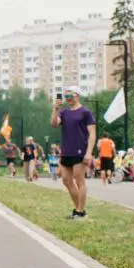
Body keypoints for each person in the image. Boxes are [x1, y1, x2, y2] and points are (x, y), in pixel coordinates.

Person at [51, 86, 96, 220]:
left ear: (77, 96)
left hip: (80, 150)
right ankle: (79, 210)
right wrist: (55, 109)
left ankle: (80, 211)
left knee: (79, 180)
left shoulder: (85, 112)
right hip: (66, 151)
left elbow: (92, 134)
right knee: (66, 180)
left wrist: (89, 152)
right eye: (66, 97)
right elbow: (53, 124)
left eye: (70, 96)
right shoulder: (64, 112)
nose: (68, 99)